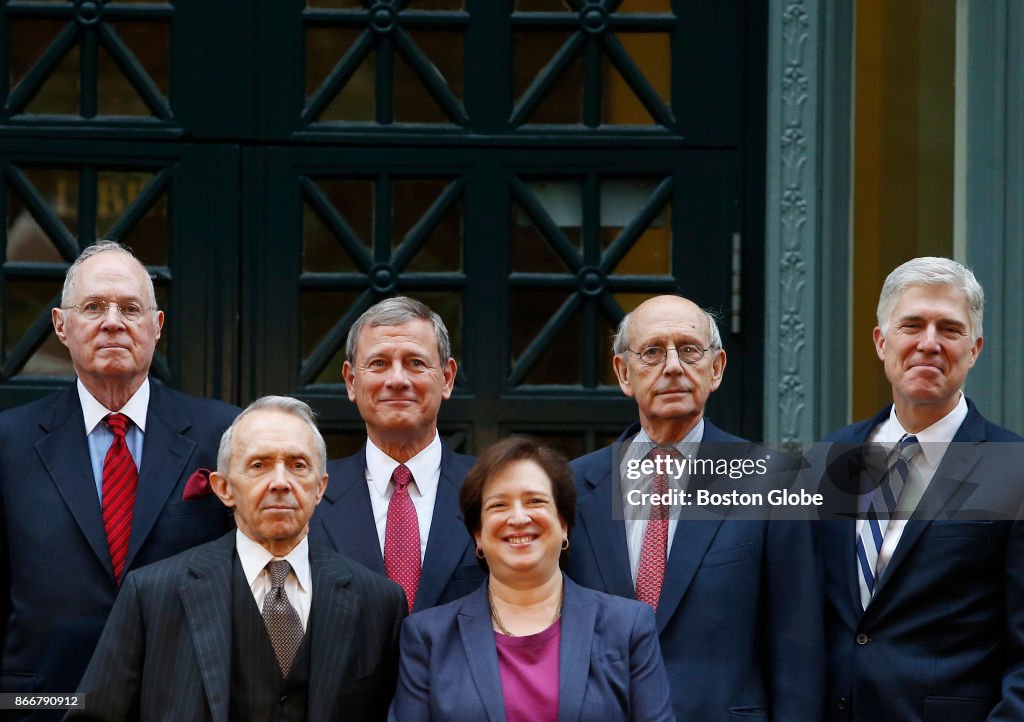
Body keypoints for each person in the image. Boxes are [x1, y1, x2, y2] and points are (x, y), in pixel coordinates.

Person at [0, 241, 238, 719]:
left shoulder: (223, 435)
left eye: (131, 308)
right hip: (45, 702)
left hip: (182, 705)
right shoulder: (8, 441)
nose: (113, 321)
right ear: (60, 327)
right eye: (93, 307)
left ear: (157, 326)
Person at [564, 294, 824, 721]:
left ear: (716, 368)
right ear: (623, 373)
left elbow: (799, 648)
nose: (672, 367)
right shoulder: (575, 487)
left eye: (688, 350)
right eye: (651, 352)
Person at [69, 396, 407, 722]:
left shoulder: (378, 603)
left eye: (298, 465)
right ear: (223, 488)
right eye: (259, 465)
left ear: (320, 487)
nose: (280, 482)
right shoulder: (152, 595)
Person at [815, 257, 1024, 721]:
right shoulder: (833, 455)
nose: (928, 344)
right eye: (912, 325)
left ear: (975, 350)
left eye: (949, 329)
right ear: (881, 342)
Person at [390, 435, 672, 722]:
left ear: (563, 525)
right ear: (478, 534)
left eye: (535, 501)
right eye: (498, 505)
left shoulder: (628, 627)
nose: (519, 517)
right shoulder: (428, 638)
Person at [309, 297, 485, 612]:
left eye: (416, 363)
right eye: (379, 363)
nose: (397, 380)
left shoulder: (490, 490)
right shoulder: (310, 497)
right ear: (351, 381)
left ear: (446, 378)